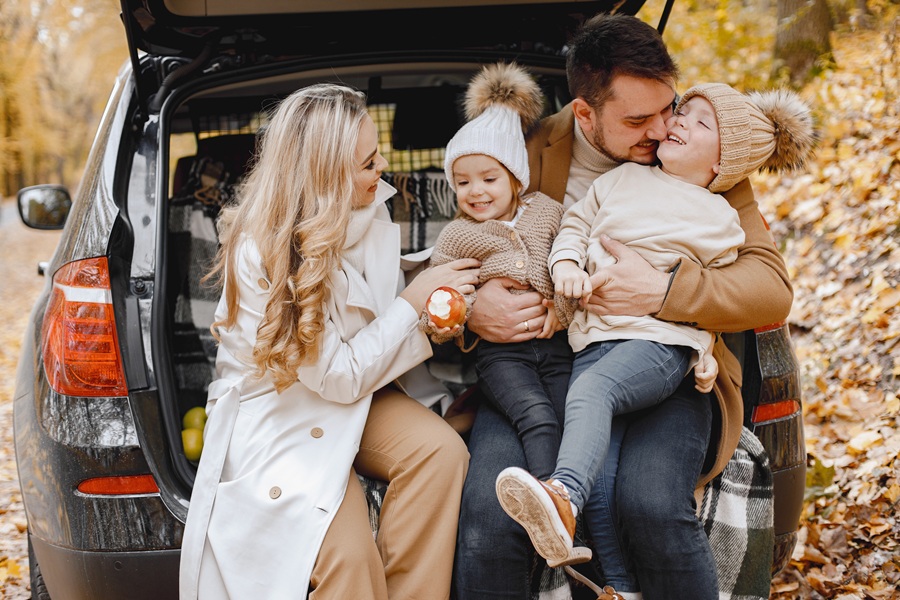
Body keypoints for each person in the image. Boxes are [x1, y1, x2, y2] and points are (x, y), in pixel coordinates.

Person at [454, 13, 796, 600]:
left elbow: (770, 288)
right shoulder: (529, 152)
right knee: (489, 521)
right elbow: (466, 245)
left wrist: (665, 294)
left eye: (670, 108)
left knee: (651, 502)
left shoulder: (706, 165)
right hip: (541, 362)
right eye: (638, 120)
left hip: (660, 353)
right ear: (585, 115)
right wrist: (471, 311)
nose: (662, 130)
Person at [178, 83, 479, 600]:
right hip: (284, 413)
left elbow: (370, 305)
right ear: (323, 175)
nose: (383, 166)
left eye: (376, 150)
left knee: (440, 452)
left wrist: (426, 308)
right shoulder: (264, 253)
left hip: (359, 394)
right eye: (367, 162)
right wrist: (413, 307)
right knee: (348, 560)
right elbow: (335, 375)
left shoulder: (368, 202)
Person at [422, 62, 576, 481]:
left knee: (567, 417)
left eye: (488, 178)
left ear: (515, 177)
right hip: (502, 356)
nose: (476, 191)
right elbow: (440, 297)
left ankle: (575, 512)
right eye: (462, 182)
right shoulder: (458, 236)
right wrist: (452, 314)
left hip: (557, 345)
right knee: (538, 418)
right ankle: (552, 503)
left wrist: (560, 310)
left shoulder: (547, 212)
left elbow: (572, 259)